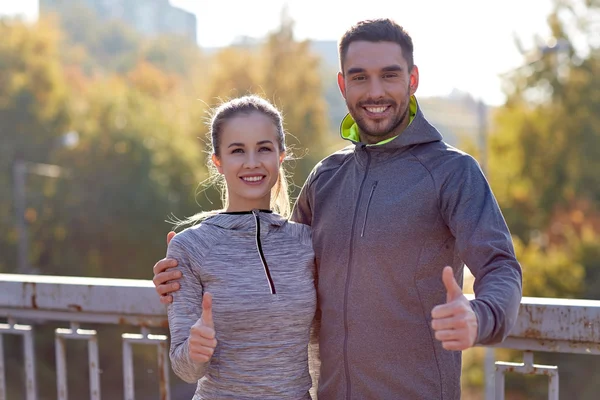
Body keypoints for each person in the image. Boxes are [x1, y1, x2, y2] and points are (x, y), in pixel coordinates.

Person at [154, 19, 522, 399]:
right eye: (360, 77)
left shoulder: (452, 172)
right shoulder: (326, 177)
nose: (375, 91)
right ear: (343, 84)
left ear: (412, 80)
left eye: (389, 75)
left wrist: (480, 316)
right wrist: (182, 275)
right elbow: (279, 265)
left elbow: (501, 266)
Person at [164, 95, 317, 399]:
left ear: (281, 156)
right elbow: (184, 368)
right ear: (217, 161)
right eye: (237, 151)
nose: (252, 162)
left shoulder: (308, 242)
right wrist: (196, 350)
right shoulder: (189, 248)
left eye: (264, 148)